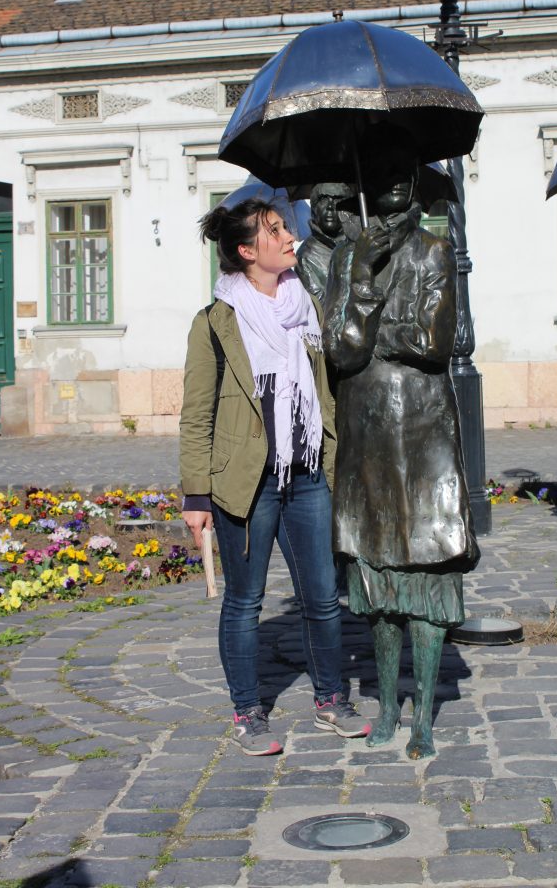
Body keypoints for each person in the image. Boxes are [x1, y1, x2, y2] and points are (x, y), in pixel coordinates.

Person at [180, 200, 371, 755]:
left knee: (323, 597)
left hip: (306, 472)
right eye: (275, 230)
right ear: (246, 251)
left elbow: (330, 385)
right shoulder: (215, 322)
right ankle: (248, 713)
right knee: (245, 601)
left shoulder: (306, 306)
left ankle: (330, 700)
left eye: (285, 227)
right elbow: (197, 414)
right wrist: (196, 495)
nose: (290, 236)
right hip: (245, 483)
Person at [323, 145, 480, 760]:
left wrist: (373, 336)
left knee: (426, 573)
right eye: (381, 171)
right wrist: (362, 276)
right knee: (378, 577)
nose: (392, 182)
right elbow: (340, 350)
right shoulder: (346, 257)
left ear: (414, 182)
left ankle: (424, 721)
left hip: (422, 430)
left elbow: (433, 342)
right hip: (366, 431)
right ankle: (388, 705)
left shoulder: (434, 251)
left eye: (401, 174)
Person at [296, 183, 352, 303]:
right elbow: (323, 308)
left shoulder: (359, 241)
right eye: (323, 200)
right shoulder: (306, 257)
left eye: (337, 199)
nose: (330, 207)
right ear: (313, 209)